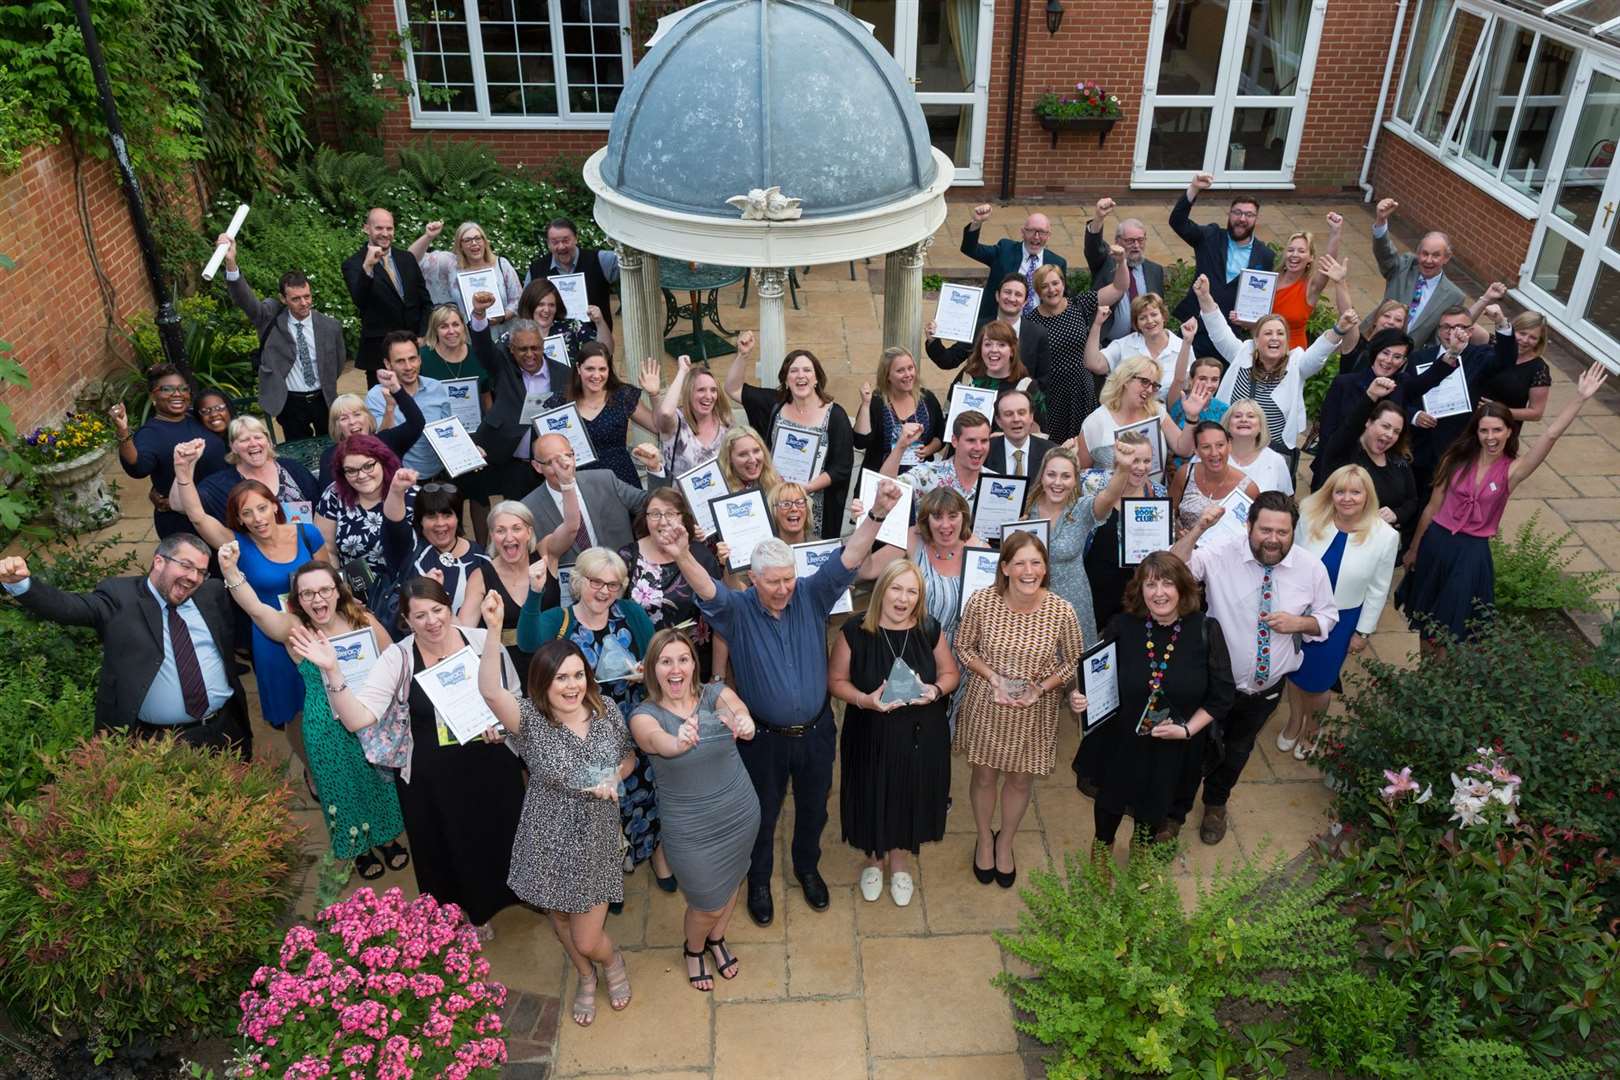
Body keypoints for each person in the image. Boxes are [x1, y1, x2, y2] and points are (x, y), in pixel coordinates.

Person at [656, 477, 904, 926]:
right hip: (762, 741)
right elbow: (708, 590)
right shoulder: (738, 610)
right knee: (762, 814)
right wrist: (681, 555)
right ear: (754, 579)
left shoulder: (811, 594)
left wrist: (878, 513)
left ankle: (807, 868)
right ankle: (760, 881)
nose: (784, 588)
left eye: (789, 578)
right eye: (774, 582)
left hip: (815, 731)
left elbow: (849, 557)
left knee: (814, 806)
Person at [296, 578, 524, 941]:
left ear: (449, 608)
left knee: (502, 831)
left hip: (491, 760)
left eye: (437, 610)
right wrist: (333, 672)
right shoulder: (397, 658)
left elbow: (512, 695)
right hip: (433, 776)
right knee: (453, 844)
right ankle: (472, 912)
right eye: (420, 615)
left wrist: (502, 725)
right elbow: (357, 718)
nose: (432, 621)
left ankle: (517, 893)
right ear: (406, 619)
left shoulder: (480, 641)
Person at [218, 551, 407, 878]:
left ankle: (387, 838)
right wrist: (230, 570)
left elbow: (394, 656)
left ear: (338, 591)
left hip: (366, 717)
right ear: (298, 600)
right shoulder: (295, 630)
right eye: (307, 593)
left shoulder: (362, 619)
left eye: (324, 590)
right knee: (340, 785)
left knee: (377, 780)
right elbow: (256, 608)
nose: (317, 599)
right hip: (325, 725)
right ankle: (358, 847)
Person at [476, 634, 632, 1024]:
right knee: (560, 917)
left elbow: (628, 756)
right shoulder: (528, 719)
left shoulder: (606, 709)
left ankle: (610, 962)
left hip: (596, 837)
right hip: (547, 835)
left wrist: (615, 775)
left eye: (578, 675)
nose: (572, 685)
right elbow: (490, 690)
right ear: (543, 682)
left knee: (588, 937)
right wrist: (494, 629)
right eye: (561, 677)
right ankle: (585, 976)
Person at [1167, 491, 1338, 845]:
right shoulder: (1221, 554)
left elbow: (1327, 617)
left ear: (1293, 531)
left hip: (1265, 691)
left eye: (1283, 532)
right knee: (1192, 749)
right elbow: (1172, 569)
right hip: (1214, 686)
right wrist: (1198, 528)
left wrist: (1299, 623)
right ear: (1249, 526)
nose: (1273, 539)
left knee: (1237, 750)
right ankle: (1173, 815)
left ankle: (1216, 804)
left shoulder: (1311, 568)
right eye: (1265, 530)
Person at [1403, 364, 1610, 648]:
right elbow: (1432, 508)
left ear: (1508, 431)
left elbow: (1549, 436)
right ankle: (1424, 682)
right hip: (1436, 543)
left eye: (1497, 430)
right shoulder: (1455, 460)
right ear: (1475, 432)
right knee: (1426, 621)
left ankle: (1444, 681)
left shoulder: (1513, 471)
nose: (1491, 437)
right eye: (1484, 430)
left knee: (1451, 629)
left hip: (1470, 553)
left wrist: (1580, 398)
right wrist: (1415, 548)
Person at [0, 536, 250, 751]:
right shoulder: (119, 598)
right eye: (186, 566)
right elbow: (68, 608)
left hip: (225, 728)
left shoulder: (211, 593)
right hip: (160, 741)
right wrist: (21, 585)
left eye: (201, 572)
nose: (193, 577)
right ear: (159, 561)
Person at [516, 546, 664, 894]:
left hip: (631, 720)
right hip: (583, 731)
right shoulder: (560, 620)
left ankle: (655, 854)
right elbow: (526, 641)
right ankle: (607, 877)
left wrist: (647, 674)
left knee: (642, 792)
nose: (604, 591)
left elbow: (656, 654)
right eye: (596, 582)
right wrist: (534, 593)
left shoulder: (629, 612)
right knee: (597, 803)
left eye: (612, 585)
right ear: (579, 582)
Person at [1080, 552, 1234, 858]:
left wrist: (1188, 730)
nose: (1159, 593)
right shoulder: (1122, 626)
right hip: (1122, 741)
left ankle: (1140, 860)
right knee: (1109, 806)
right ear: (1140, 590)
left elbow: (1222, 696)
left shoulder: (1206, 630)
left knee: (1154, 812)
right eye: (1150, 585)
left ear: (1183, 588)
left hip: (1174, 748)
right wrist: (1082, 697)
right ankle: (1101, 857)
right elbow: (1099, 678)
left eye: (1167, 583)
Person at [628, 629, 759, 990]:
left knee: (732, 880)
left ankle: (717, 941)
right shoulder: (643, 715)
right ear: (652, 668)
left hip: (740, 814)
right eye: (665, 661)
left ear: (693, 663)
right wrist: (679, 740)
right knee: (706, 904)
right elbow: (659, 743)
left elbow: (736, 710)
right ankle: (694, 948)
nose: (675, 669)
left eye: (683, 659)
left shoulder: (714, 694)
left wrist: (743, 721)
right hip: (690, 829)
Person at [955, 532, 1085, 887]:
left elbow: (1074, 659)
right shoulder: (982, 602)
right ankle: (984, 837)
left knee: (1019, 779)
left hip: (1034, 712)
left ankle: (1006, 842)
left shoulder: (1061, 610)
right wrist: (992, 677)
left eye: (1036, 563)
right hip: (987, 705)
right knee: (983, 777)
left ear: (1045, 568)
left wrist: (1041, 688)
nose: (1029, 571)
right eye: (1021, 563)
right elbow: (964, 647)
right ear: (1005, 568)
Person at [830, 559, 959, 907]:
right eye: (896, 589)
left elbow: (950, 674)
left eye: (911, 592)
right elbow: (836, 681)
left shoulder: (929, 629)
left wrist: (933, 691)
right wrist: (865, 700)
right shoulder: (855, 630)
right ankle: (874, 858)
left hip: (921, 734)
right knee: (871, 790)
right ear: (881, 591)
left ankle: (900, 860)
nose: (903, 599)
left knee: (910, 792)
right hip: (869, 731)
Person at [173, 451, 328, 741]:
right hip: (273, 639)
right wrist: (183, 473)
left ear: (274, 506)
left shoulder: (307, 534)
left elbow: (330, 578)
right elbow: (196, 516)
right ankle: (311, 772)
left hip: (317, 627)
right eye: (246, 513)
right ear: (239, 520)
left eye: (261, 508)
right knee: (293, 711)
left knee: (328, 697)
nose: (257, 519)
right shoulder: (237, 544)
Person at [1279, 465, 1399, 758]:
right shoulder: (1309, 515)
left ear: (1367, 496)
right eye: (1340, 491)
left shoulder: (1385, 536)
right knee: (1294, 672)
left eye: (1355, 492)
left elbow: (1378, 588)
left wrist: (1363, 631)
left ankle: (1313, 730)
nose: (1347, 498)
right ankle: (1295, 721)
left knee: (1320, 682)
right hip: (1301, 611)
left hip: (1341, 621)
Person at [1194, 273, 1355, 474]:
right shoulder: (1243, 353)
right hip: (1230, 450)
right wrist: (1204, 297)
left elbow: (1317, 354)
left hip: (1271, 456)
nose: (1275, 338)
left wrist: (1338, 330)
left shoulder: (1297, 364)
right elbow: (1219, 332)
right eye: (1268, 333)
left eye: (1280, 333)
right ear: (1256, 340)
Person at [221, 235, 345, 440]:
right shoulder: (269, 318)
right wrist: (231, 262)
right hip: (290, 402)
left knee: (330, 446)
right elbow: (245, 300)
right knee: (297, 450)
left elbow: (338, 363)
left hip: (324, 398)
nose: (304, 303)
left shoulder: (329, 326)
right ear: (283, 298)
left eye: (307, 296)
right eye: (296, 299)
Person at [725, 346, 855, 540]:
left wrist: (807, 488)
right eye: (793, 371)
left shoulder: (835, 415)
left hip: (817, 508)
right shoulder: (774, 404)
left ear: (817, 378)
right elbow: (733, 388)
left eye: (807, 370)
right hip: (775, 499)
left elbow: (842, 466)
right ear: (786, 379)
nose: (800, 375)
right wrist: (743, 355)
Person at [1401, 304, 1518, 500]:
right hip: (1420, 444)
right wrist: (1415, 416)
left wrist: (1500, 322)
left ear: (1470, 331)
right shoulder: (1419, 357)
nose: (1451, 333)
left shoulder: (1479, 357)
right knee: (1411, 496)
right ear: (1438, 330)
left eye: (1459, 327)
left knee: (1444, 500)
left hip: (1456, 444)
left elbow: (1506, 359)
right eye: (1446, 327)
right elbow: (1405, 396)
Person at [618, 487, 727, 676]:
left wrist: (718, 675)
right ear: (645, 518)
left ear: (683, 517)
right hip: (645, 668)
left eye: (670, 514)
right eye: (654, 514)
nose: (663, 521)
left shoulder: (701, 555)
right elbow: (615, 615)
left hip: (696, 665)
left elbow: (721, 613)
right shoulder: (627, 557)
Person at [111, 365, 228, 539]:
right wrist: (123, 432)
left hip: (221, 506)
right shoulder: (151, 433)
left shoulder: (195, 416)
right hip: (186, 523)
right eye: (167, 389)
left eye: (183, 389)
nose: (177, 394)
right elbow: (137, 466)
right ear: (152, 396)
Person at [1168, 174, 1275, 359]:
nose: (1242, 219)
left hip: (1230, 334)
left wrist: (1249, 322)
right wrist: (1194, 188)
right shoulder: (1210, 236)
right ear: (1229, 214)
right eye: (1237, 212)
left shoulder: (1265, 255)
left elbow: (1260, 298)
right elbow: (1178, 222)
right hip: (1196, 326)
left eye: (1249, 215)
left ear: (1256, 219)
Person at [472, 317, 575, 502]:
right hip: (512, 463)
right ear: (511, 349)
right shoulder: (503, 366)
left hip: (550, 466)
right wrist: (479, 316)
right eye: (522, 349)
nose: (529, 354)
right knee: (517, 519)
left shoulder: (564, 374)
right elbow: (483, 348)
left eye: (535, 347)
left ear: (543, 345)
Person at [1027, 256, 1128, 443]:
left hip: (1082, 389)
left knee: (1086, 442)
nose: (1052, 289)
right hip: (1052, 395)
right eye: (1045, 286)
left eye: (1055, 283)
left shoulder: (1079, 304)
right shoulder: (1032, 322)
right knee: (1055, 446)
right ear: (1038, 291)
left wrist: (1121, 262)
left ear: (1063, 284)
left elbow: (1119, 288)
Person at [458, 500, 551, 691]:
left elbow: (572, 528)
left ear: (529, 532)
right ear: (492, 536)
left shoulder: (545, 558)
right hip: (509, 666)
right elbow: (463, 631)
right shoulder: (480, 576)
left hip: (552, 660)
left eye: (516, 528)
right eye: (500, 531)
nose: (509, 537)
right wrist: (440, 599)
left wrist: (567, 483)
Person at [1080, 430, 1167, 632]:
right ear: (1119, 460)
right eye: (1134, 460)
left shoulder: (1158, 493)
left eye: (1147, 461)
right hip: (1096, 584)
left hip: (1136, 588)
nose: (1140, 467)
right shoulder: (1092, 483)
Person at [1314, 383, 1421, 542]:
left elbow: (1412, 501)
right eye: (1385, 426)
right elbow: (1350, 426)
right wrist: (1370, 396)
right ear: (1368, 422)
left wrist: (1397, 514)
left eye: (1396, 431)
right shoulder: (1344, 452)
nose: (1390, 434)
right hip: (1334, 537)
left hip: (1377, 542)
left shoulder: (1399, 461)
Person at [1310, 328, 1414, 490]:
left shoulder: (1400, 387)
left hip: (1372, 480)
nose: (1389, 360)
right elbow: (1327, 434)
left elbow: (1425, 382)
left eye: (1397, 357)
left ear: (1403, 361)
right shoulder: (1344, 383)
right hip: (1334, 470)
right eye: (1385, 353)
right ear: (1375, 351)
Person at [521, 433, 651, 561]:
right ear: (537, 466)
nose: (563, 465)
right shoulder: (528, 509)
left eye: (567, 456)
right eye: (551, 462)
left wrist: (655, 469)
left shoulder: (605, 480)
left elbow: (651, 505)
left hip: (620, 573)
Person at [380, 471, 493, 617]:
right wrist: (396, 490)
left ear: (458, 518)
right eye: (431, 516)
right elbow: (393, 525)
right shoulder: (409, 548)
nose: (440, 524)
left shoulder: (479, 556)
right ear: (420, 520)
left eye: (447, 515)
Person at [1025, 445, 1105, 649]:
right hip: (1030, 606)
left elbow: (1110, 496)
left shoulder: (1082, 508)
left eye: (1066, 476)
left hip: (1074, 605)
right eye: (1051, 474)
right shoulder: (1024, 509)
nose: (1057, 482)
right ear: (1042, 476)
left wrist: (1122, 469)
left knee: (1075, 672)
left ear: (1075, 480)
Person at [546, 341, 657, 488]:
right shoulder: (560, 401)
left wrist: (654, 394)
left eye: (602, 369)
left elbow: (657, 426)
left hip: (621, 480)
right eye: (590, 369)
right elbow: (546, 446)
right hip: (580, 482)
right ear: (579, 368)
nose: (596, 375)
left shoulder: (622, 395)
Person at [342, 207, 432, 387]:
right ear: (367, 228)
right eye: (379, 228)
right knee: (383, 407)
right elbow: (360, 300)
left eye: (389, 229)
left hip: (413, 350)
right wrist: (367, 267)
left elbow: (425, 301)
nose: (385, 233)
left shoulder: (407, 258)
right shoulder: (353, 264)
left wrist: (422, 335)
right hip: (379, 354)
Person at [1074, 355, 1203, 471]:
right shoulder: (1096, 421)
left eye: (1154, 385)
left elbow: (1184, 450)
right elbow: (1081, 472)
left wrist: (1192, 417)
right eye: (1145, 382)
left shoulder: (1156, 411)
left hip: (1151, 495)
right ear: (1126, 380)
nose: (1149, 390)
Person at [1366, 198, 1465, 350]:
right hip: (1369, 342)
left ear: (1446, 258)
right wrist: (1381, 220)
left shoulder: (1454, 296)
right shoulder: (1404, 266)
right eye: (1424, 254)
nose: (1428, 260)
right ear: (1418, 253)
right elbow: (1385, 254)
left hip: (1403, 359)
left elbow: (1438, 338)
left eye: (1436, 255)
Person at [186, 415, 321, 524]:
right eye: (244, 440)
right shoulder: (221, 484)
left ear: (268, 441)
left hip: (310, 549)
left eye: (258, 437)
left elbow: (319, 511)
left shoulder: (292, 468)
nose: (253, 444)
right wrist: (184, 467)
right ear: (233, 447)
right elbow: (182, 506)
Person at [925, 276, 1053, 386]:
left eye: (1018, 294)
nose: (1012, 298)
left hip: (1017, 409)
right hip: (980, 403)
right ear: (997, 296)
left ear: (1025, 302)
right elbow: (948, 361)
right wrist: (933, 341)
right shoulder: (978, 327)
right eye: (1007, 292)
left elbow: (1043, 380)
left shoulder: (1038, 334)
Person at [1243, 217, 1345, 350]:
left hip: (1292, 353)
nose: (1294, 255)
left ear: (1311, 258)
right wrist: (1243, 319)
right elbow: (1254, 317)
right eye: (1290, 250)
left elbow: (1329, 262)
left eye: (1301, 251)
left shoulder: (1311, 287)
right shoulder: (1268, 280)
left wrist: (1335, 231)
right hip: (1262, 349)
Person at [365, 332, 454, 481]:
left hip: (440, 476)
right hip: (401, 481)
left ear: (419, 359)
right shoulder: (376, 396)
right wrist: (390, 408)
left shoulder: (436, 387)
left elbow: (449, 431)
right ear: (388, 364)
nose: (408, 367)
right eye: (400, 361)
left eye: (412, 359)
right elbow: (382, 441)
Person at [959, 202, 1068, 324]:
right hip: (998, 323)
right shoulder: (1005, 250)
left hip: (1037, 328)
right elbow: (970, 249)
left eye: (1042, 232)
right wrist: (977, 222)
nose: (1036, 237)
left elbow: (1061, 299)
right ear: (1022, 232)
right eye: (1031, 231)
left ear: (1048, 236)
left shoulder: (1057, 263)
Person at [317, 369, 425, 492]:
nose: (352, 422)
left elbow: (417, 423)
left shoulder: (387, 441)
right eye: (344, 418)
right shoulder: (329, 456)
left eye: (357, 414)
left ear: (368, 417)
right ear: (337, 426)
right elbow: (326, 495)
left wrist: (396, 389)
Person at [408, 220, 523, 334]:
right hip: (464, 339)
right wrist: (428, 236)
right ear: (460, 245)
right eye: (467, 240)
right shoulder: (450, 265)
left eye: (478, 238)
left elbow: (517, 300)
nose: (474, 243)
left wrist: (502, 317)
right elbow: (410, 259)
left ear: (484, 241)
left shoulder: (501, 265)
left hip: (500, 334)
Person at [315, 434, 402, 580]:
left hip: (407, 590)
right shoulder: (334, 495)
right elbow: (326, 550)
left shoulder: (406, 493)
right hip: (355, 592)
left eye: (368, 466)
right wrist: (340, 588)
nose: (361, 475)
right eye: (351, 470)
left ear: (383, 462)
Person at [1084, 198, 1165, 346]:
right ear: (1117, 241)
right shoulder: (1105, 263)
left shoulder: (1155, 270)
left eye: (1140, 240)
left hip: (1144, 343)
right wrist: (1099, 218)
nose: (1136, 246)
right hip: (1109, 344)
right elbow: (1093, 248)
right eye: (1130, 241)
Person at [853, 345, 944, 475]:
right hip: (881, 476)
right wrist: (865, 405)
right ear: (887, 376)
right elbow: (860, 442)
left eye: (910, 368)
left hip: (919, 477)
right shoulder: (877, 403)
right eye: (900, 371)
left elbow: (941, 435)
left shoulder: (927, 398)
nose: (908, 375)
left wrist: (929, 449)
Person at [657, 342, 741, 476]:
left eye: (713, 390)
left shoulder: (726, 422)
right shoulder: (678, 421)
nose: (708, 396)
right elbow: (666, 412)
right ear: (689, 393)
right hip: (679, 496)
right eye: (701, 390)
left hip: (719, 496)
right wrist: (682, 371)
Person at [527, 217, 620, 331]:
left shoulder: (600, 260)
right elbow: (526, 308)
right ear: (548, 244)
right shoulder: (536, 270)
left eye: (566, 240)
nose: (561, 246)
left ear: (576, 238)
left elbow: (629, 259)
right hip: (554, 341)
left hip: (595, 342)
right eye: (555, 242)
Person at [883, 410, 993, 506]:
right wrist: (901, 446)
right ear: (954, 441)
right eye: (971, 440)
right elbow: (885, 489)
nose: (978, 448)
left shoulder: (997, 483)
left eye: (984, 441)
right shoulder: (927, 475)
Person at [1169, 422, 1261, 535]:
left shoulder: (1248, 489)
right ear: (1196, 451)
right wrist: (1177, 533)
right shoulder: (1185, 474)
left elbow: (1254, 532)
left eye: (1220, 445)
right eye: (1206, 447)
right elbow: (1168, 514)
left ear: (1229, 446)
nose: (1214, 453)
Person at [946, 320, 1047, 422]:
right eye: (987, 344)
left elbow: (1041, 432)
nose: (994, 350)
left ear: (1012, 351)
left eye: (1001, 345)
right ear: (980, 348)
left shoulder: (1027, 386)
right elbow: (947, 417)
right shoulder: (967, 378)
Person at [1086, 295, 1183, 399]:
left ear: (1163, 316)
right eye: (1142, 318)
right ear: (1137, 323)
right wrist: (1097, 324)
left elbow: (1189, 386)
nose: (1149, 321)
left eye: (1154, 314)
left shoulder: (1182, 346)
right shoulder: (1124, 345)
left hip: (1167, 412)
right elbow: (1094, 364)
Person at [506, 275, 613, 358]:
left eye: (551, 305)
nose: (547, 310)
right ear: (530, 305)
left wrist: (600, 322)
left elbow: (605, 352)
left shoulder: (573, 328)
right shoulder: (514, 335)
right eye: (541, 304)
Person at [1481, 311, 1553, 422]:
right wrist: (1485, 300)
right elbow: (1466, 326)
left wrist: (1498, 411)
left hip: (1502, 428)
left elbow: (1536, 413)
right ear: (1512, 330)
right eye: (1522, 333)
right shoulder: (1494, 344)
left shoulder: (1539, 369)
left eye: (1533, 338)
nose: (1525, 340)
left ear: (1540, 341)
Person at [1222, 399, 1296, 495]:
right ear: (1228, 425)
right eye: (1237, 416)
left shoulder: (1276, 461)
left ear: (1261, 426)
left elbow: (1286, 500)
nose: (1244, 420)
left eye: (1251, 416)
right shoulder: (1214, 455)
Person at [984, 389, 1053, 478]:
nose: (1016, 419)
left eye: (1021, 413)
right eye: (1008, 414)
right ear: (998, 421)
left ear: (1031, 417)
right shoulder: (985, 452)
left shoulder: (1050, 452)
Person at [715, 425, 786, 499]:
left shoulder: (778, 482)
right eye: (743, 454)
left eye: (756, 451)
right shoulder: (720, 492)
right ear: (729, 459)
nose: (752, 459)